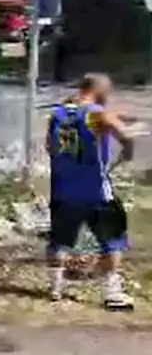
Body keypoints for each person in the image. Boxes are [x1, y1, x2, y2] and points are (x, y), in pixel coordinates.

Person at [45, 73, 136, 310]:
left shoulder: (58, 114)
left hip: (64, 189)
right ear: (100, 90)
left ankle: (56, 288)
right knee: (112, 240)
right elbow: (124, 134)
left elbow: (49, 147)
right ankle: (112, 292)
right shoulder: (96, 113)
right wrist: (127, 152)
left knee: (60, 241)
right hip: (96, 191)